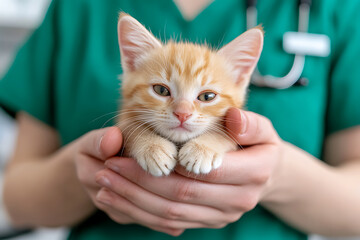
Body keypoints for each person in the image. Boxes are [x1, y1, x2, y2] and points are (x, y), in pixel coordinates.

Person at [0, 0, 360, 239]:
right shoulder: (76, 8)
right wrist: (90, 172)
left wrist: (278, 174)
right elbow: (15, 199)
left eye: (206, 97)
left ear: (241, 78)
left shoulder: (338, 8)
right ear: (130, 66)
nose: (183, 112)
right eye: (162, 90)